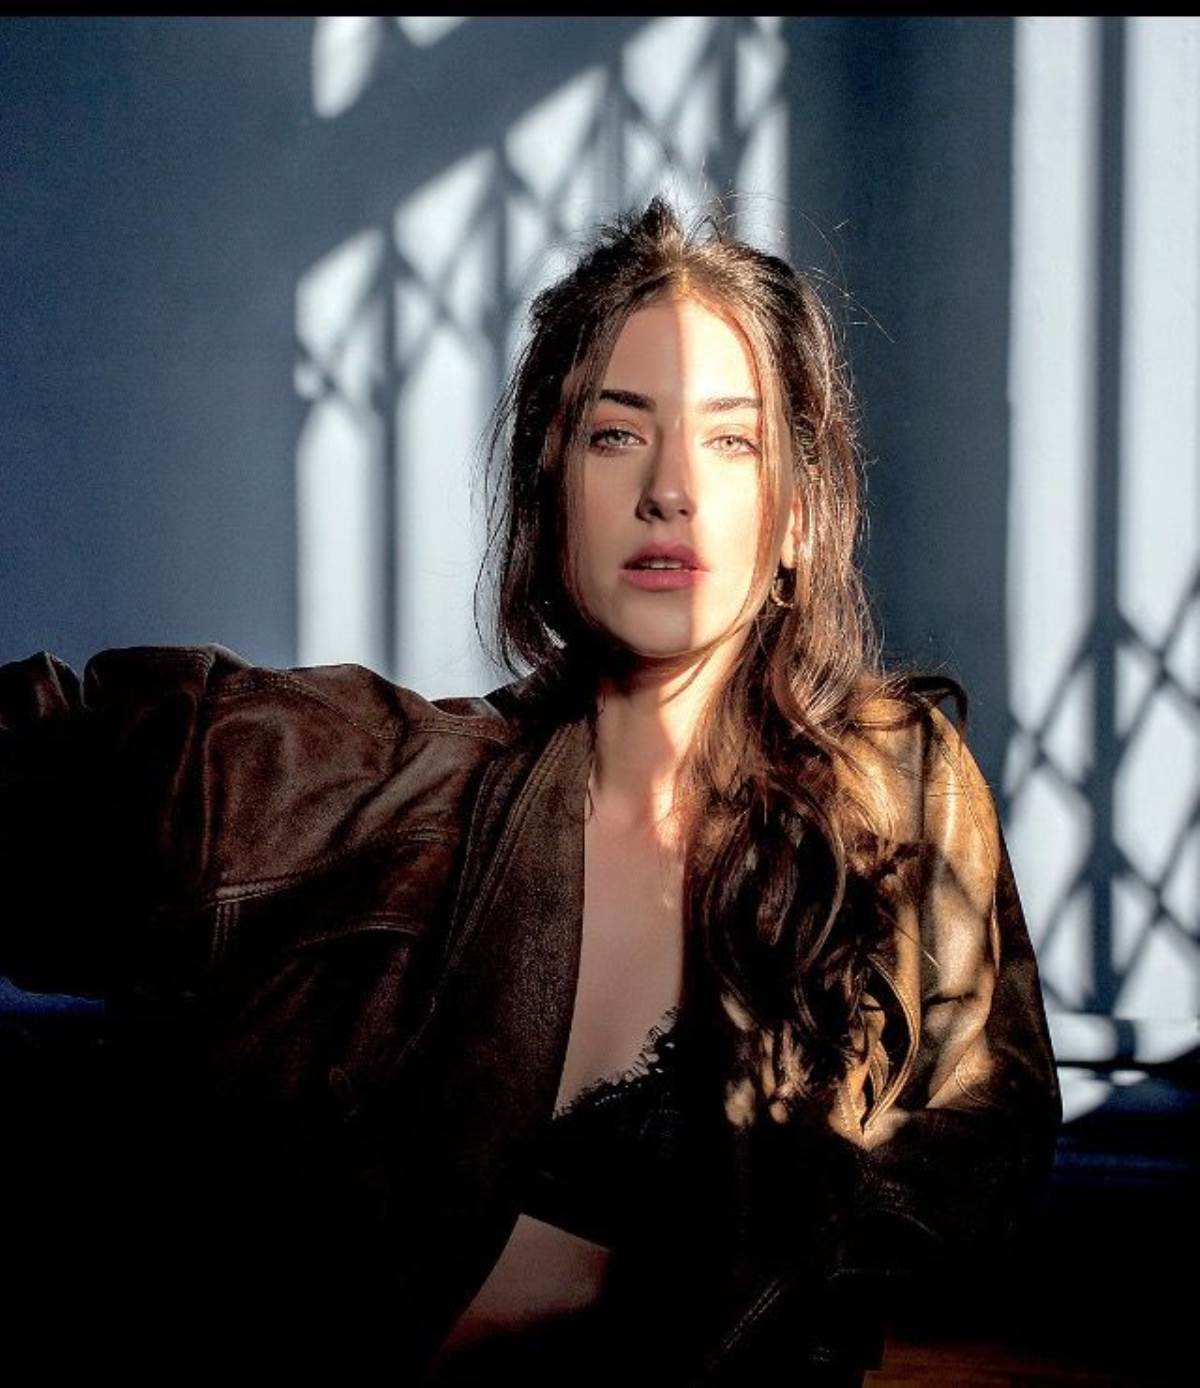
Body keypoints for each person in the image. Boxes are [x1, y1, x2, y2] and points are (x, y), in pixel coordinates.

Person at [0, 200, 1060, 1384]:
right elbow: (60, 766)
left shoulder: (893, 786)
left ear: (798, 516)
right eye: (616, 434)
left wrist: (675, 1273)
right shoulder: (390, 781)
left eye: (731, 439)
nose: (670, 488)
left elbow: (983, 1141)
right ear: (552, 496)